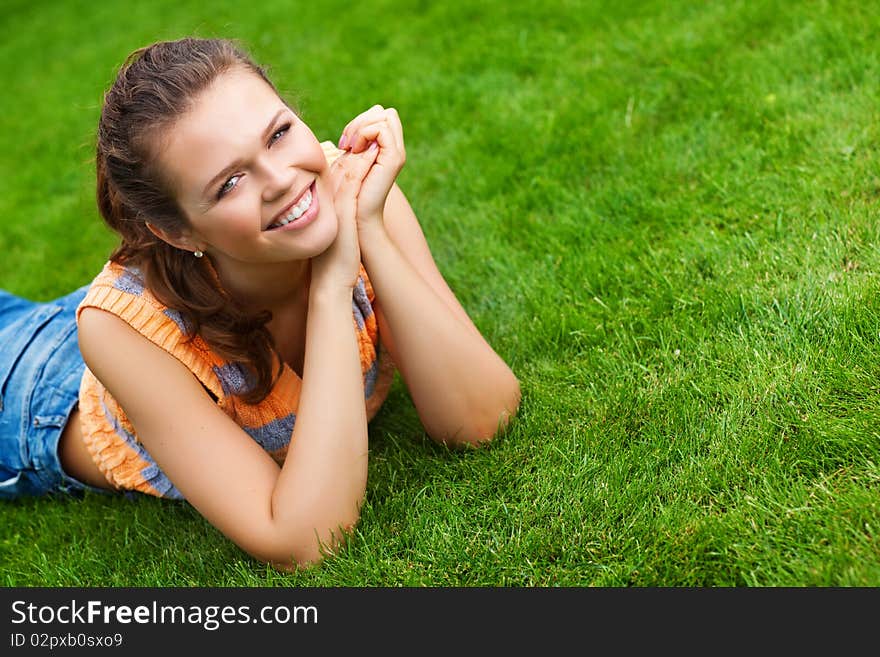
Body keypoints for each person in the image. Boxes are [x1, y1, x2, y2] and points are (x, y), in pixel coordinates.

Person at [0, 37, 520, 570]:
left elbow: (483, 417)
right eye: (229, 183)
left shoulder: (348, 188)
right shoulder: (120, 332)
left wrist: (369, 230)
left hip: (162, 315)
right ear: (178, 233)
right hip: (38, 386)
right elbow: (303, 540)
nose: (282, 181)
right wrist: (331, 285)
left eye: (278, 134)